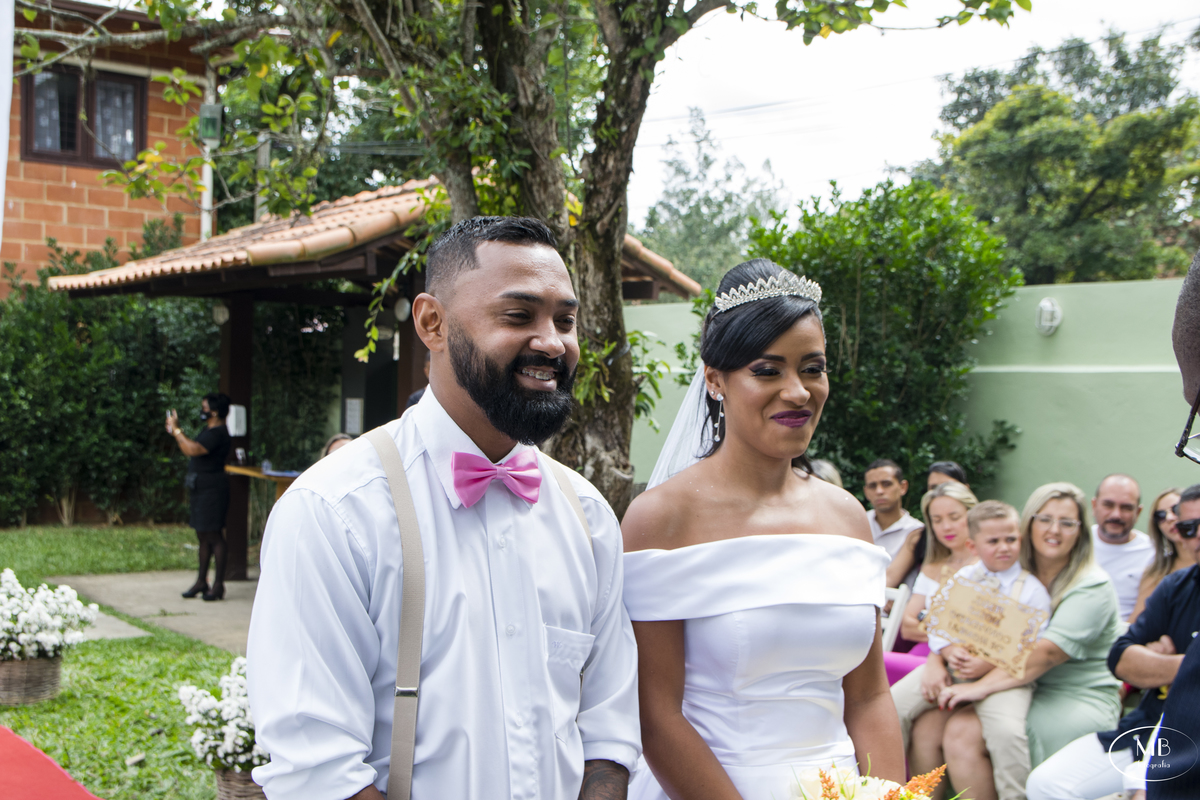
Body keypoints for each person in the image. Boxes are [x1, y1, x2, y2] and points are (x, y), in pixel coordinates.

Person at [246, 217, 640, 800]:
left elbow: (608, 728)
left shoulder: (587, 517)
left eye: (565, 319)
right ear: (432, 322)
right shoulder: (333, 512)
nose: (553, 342)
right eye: (518, 315)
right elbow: (317, 771)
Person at [622, 259, 904, 800]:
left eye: (813, 368)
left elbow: (868, 696)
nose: (798, 392)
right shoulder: (663, 519)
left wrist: (891, 795)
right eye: (768, 370)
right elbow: (655, 713)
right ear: (715, 378)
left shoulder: (847, 518)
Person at [936, 483, 1122, 793]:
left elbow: (1045, 654)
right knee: (933, 722)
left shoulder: (1092, 586)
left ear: (1081, 531)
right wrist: (936, 659)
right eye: (1045, 519)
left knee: (963, 731)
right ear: (1029, 524)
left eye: (1067, 522)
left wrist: (979, 688)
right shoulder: (1010, 568)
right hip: (1015, 681)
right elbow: (959, 619)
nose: (1055, 530)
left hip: (1073, 693)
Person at [1025, 483, 1200, 800]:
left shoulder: (1093, 583)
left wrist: (1161, 665)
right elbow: (1120, 658)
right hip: (1147, 727)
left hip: (1190, 744)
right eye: (1188, 527)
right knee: (1046, 784)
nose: (1197, 536)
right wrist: (1188, 665)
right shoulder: (1177, 586)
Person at [892, 501, 1051, 800]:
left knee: (1006, 732)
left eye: (1011, 539)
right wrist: (946, 654)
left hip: (1004, 677)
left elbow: (1032, 648)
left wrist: (986, 665)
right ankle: (892, 786)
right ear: (973, 545)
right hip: (954, 668)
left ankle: (1015, 796)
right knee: (893, 707)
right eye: (993, 541)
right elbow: (938, 625)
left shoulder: (1032, 590)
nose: (1004, 547)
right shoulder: (962, 578)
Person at [897, 481, 980, 645]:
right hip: (926, 651)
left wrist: (930, 625)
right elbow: (907, 627)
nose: (946, 527)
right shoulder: (932, 568)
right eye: (937, 520)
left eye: (954, 517)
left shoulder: (988, 567)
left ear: (973, 515)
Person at [168, 393, 232, 602]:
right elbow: (188, 448)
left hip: (213, 489)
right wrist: (177, 434)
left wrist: (177, 430)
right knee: (202, 535)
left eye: (205, 407)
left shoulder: (218, 433)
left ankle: (218, 585)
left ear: (214, 412)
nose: (202, 410)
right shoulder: (208, 430)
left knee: (214, 535)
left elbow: (192, 449)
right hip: (201, 487)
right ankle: (201, 581)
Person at [1091, 474, 1155, 620]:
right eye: (1108, 505)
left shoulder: (1152, 553)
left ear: (1138, 512)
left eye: (1126, 507)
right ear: (1094, 506)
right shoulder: (1076, 542)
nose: (1116, 514)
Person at [1129, 487, 1195, 624]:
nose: (1170, 518)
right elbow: (1135, 625)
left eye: (1175, 509)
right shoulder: (1156, 572)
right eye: (1161, 516)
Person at [864, 459, 926, 589]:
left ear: (903, 487)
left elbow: (891, 578)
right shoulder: (857, 522)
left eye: (886, 484)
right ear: (866, 492)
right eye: (872, 486)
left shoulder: (916, 531)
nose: (879, 491)